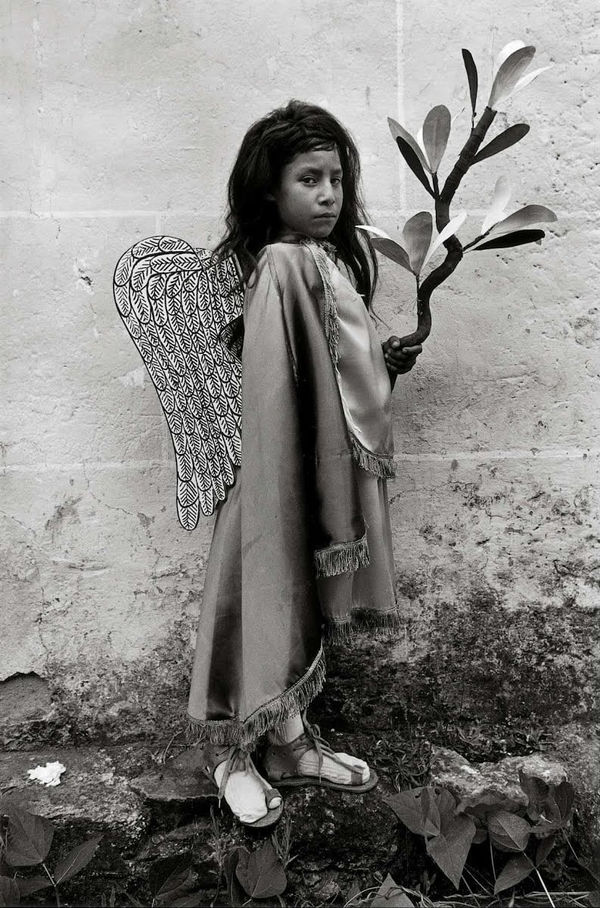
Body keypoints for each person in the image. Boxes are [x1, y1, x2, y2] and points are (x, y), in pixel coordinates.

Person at [186, 100, 422, 826]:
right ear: (271, 190)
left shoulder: (322, 261)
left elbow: (331, 369)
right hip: (274, 467)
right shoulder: (282, 265)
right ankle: (230, 752)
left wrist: (379, 362)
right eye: (308, 179)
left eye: (336, 180)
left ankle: (289, 743)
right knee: (260, 592)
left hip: (303, 462)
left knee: (295, 600)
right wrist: (282, 472)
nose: (328, 196)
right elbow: (272, 378)